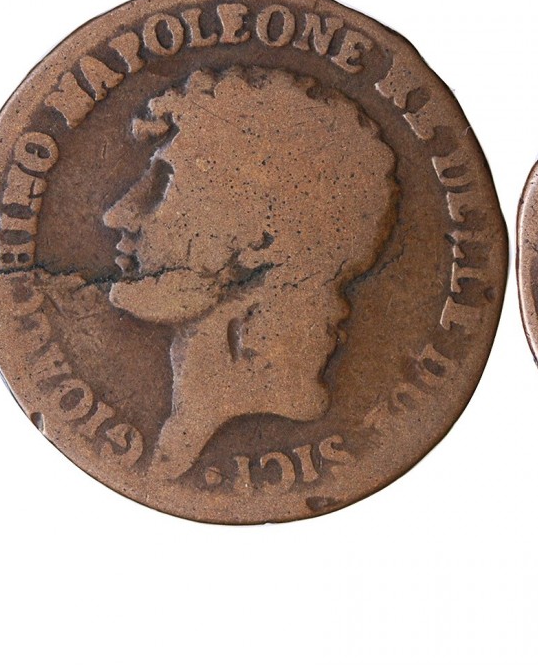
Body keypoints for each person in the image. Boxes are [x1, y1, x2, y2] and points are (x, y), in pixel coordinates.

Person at [102, 66, 398, 478]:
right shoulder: (188, 425)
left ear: (260, 239)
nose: (118, 214)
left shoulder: (274, 411)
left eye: (166, 184)